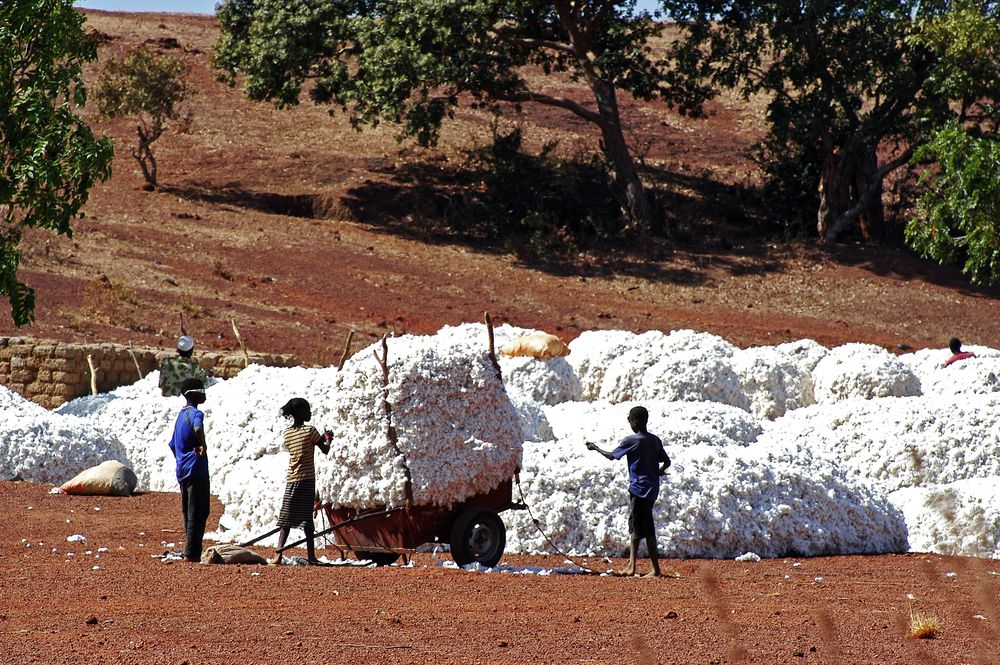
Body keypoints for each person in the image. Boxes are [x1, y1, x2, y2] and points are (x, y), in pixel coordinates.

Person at [586, 405, 670, 578]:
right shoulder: (654, 440)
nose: (629, 423)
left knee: (641, 529)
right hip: (652, 488)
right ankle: (634, 565)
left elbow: (612, 456)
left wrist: (595, 447)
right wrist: (658, 472)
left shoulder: (631, 441)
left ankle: (651, 569)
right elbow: (666, 462)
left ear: (635, 422)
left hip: (639, 489)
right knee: (641, 525)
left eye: (630, 420)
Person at [272, 397, 331, 565]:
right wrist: (328, 437)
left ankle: (278, 554)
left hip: (291, 479)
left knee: (286, 518)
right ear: (299, 413)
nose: (310, 413)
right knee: (307, 519)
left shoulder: (287, 433)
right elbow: (325, 449)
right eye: (307, 410)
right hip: (306, 479)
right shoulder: (310, 431)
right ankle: (311, 557)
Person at [168, 378, 211, 562]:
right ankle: (192, 552)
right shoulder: (196, 413)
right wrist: (202, 445)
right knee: (199, 510)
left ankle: (190, 548)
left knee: (188, 509)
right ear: (193, 394)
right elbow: (197, 427)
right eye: (201, 391)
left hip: (183, 470)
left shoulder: (179, 416)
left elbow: (172, 444)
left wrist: (181, 459)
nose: (204, 394)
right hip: (197, 469)